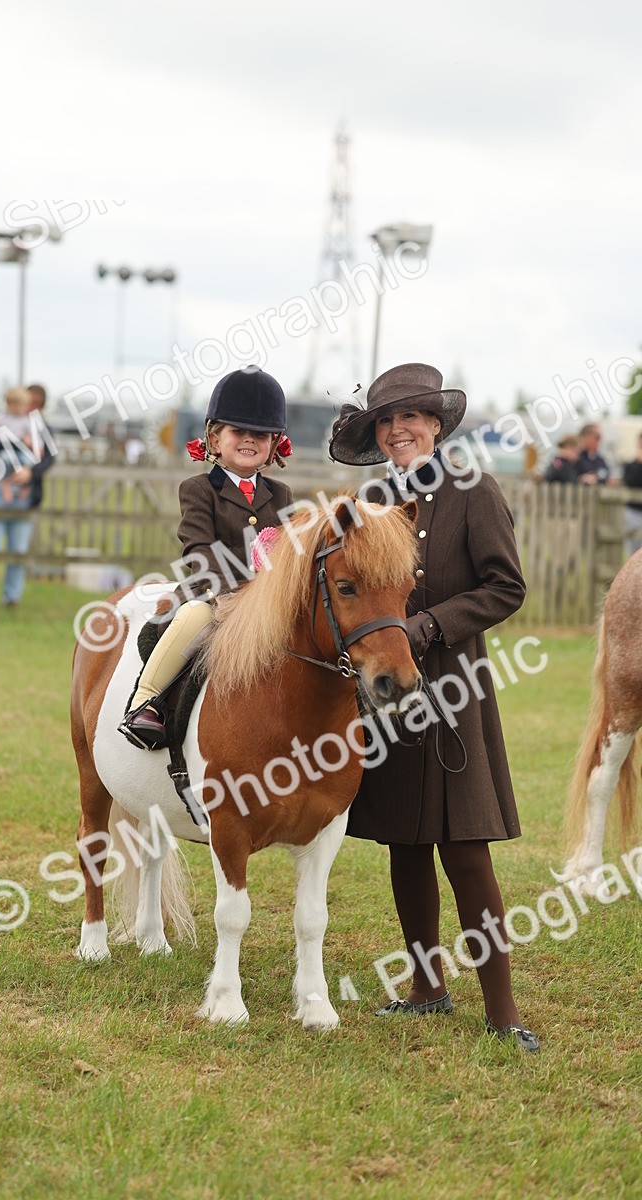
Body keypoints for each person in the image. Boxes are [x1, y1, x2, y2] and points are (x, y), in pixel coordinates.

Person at [328, 362, 539, 1053]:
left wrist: (428, 627)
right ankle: (427, 989)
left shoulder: (474, 490)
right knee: (404, 843)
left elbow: (506, 587)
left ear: (437, 426)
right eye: (387, 421)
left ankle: (502, 1010)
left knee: (466, 851)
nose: (398, 431)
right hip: (389, 694)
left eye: (411, 419)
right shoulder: (373, 501)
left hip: (453, 690)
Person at [119, 366, 294, 749]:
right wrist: (246, 573)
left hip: (268, 601)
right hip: (211, 592)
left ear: (274, 442)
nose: (249, 440)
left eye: (260, 434)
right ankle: (145, 700)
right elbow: (198, 551)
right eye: (238, 432)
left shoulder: (281, 495)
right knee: (194, 617)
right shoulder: (198, 489)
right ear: (214, 438)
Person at [0, 383, 56, 607]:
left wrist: (31, 473)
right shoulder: (1, 421)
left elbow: (47, 458)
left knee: (18, 552)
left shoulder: (39, 428)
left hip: (24, 499)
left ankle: (12, 599)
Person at [622, 432, 642, 557]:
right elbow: (629, 482)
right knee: (633, 553)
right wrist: (639, 464)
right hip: (634, 512)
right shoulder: (631, 466)